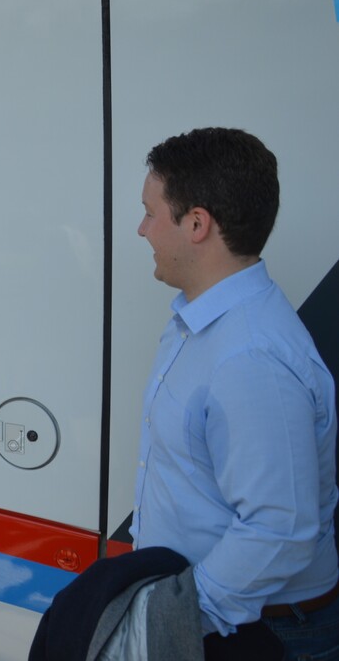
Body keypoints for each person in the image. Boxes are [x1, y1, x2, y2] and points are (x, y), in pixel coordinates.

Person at [133, 127, 338, 654]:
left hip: (256, 633)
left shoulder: (251, 357)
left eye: (151, 213)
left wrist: (176, 619)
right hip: (230, 621)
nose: (142, 229)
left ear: (197, 224)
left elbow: (279, 529)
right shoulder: (202, 323)